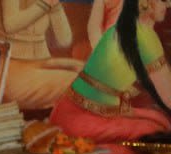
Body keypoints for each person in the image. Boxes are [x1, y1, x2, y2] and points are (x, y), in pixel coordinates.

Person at [50, 0, 171, 142]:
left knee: (159, 120)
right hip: (82, 121)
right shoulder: (147, 37)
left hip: (64, 114)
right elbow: (168, 98)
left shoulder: (118, 28)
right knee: (154, 131)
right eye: (163, 0)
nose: (169, 5)